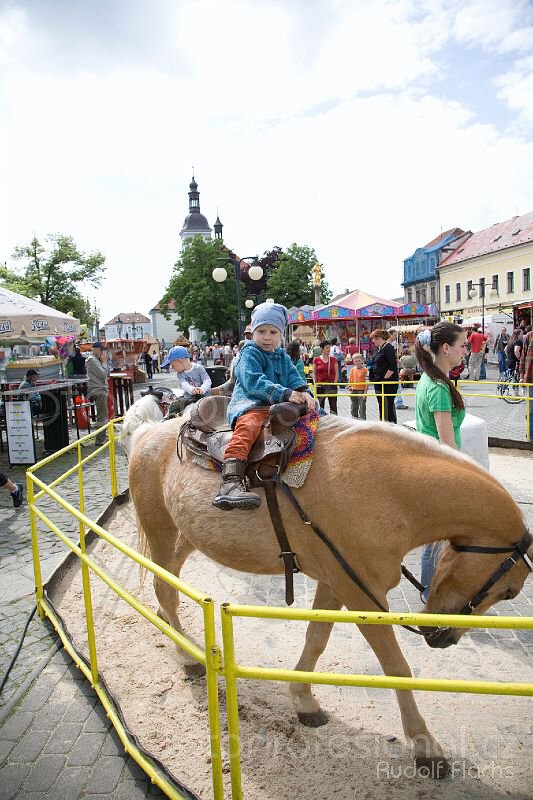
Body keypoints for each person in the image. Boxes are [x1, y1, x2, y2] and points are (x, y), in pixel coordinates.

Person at [213, 302, 314, 510]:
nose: (267, 337)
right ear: (252, 332)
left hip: (275, 406)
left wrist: (305, 393)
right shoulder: (249, 353)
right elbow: (253, 382)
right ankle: (230, 480)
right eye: (261, 331)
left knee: (311, 420)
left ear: (280, 335)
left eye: (273, 332)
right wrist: (285, 393)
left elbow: (295, 378)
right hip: (251, 404)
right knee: (249, 427)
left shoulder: (283, 356)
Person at [414, 322, 467, 601]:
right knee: (437, 537)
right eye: (462, 346)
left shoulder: (431, 380)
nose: (466, 351)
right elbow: (447, 442)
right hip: (440, 466)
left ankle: (433, 589)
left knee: (439, 534)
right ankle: (430, 591)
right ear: (445, 348)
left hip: (432, 463)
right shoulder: (438, 387)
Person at [369, 329, 399, 423]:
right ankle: (384, 423)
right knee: (382, 405)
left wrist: (385, 378)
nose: (373, 341)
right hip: (378, 382)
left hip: (386, 383)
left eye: (373, 339)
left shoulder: (388, 348)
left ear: (378, 338)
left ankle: (390, 424)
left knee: (387, 405)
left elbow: (393, 365)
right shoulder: (380, 349)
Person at [86, 342, 110, 446]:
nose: (103, 353)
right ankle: (100, 439)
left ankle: (102, 435)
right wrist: (104, 362)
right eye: (101, 351)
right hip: (98, 389)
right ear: (96, 350)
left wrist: (104, 362)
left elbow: (107, 373)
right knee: (102, 415)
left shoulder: (97, 360)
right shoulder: (92, 360)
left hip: (100, 389)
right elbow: (103, 374)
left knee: (103, 414)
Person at [313, 340, 338, 414]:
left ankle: (335, 422)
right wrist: (315, 383)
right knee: (321, 406)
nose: (329, 349)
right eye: (327, 348)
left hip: (331, 384)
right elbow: (314, 373)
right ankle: (322, 421)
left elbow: (337, 373)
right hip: (320, 385)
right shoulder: (316, 360)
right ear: (322, 349)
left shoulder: (333, 359)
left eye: (329, 348)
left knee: (333, 406)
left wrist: (335, 383)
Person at [519, 327, 533, 441]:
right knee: (531, 411)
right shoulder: (529, 335)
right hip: (530, 380)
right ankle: (531, 437)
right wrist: (521, 376)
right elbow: (523, 357)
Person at [348, 353, 367, 419]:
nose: (357, 362)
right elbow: (350, 381)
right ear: (353, 362)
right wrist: (350, 390)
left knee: (362, 408)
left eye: (359, 360)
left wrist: (365, 393)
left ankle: (363, 421)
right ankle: (354, 420)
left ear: (362, 360)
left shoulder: (365, 370)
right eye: (355, 361)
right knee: (353, 407)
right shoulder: (352, 370)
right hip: (353, 390)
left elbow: (367, 382)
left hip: (361, 391)